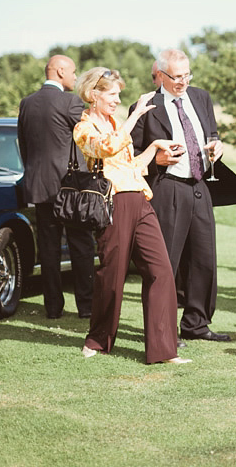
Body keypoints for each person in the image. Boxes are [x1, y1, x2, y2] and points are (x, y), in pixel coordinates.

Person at [72, 67, 188, 364]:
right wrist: (135, 116)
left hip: (140, 199)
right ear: (93, 95)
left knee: (161, 271)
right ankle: (97, 339)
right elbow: (106, 149)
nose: (116, 100)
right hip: (114, 203)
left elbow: (130, 166)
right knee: (112, 275)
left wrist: (153, 147)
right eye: (112, 94)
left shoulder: (113, 123)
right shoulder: (83, 128)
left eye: (118, 95)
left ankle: (164, 350)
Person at [130, 49, 231, 342]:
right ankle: (163, 331)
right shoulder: (147, 105)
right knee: (165, 264)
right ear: (161, 75)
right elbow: (131, 153)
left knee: (204, 260)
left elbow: (211, 137)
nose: (182, 82)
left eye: (187, 76)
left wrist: (217, 150)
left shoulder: (201, 98)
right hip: (167, 188)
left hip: (200, 186)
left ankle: (196, 324)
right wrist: (156, 160)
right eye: (176, 77)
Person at [18, 55, 97, 319]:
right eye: (73, 72)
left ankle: (53, 307)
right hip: (70, 189)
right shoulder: (69, 101)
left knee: (49, 250)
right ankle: (86, 306)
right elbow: (90, 137)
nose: (75, 77)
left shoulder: (26, 103)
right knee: (82, 246)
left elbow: (24, 147)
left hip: (39, 188)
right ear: (60, 71)